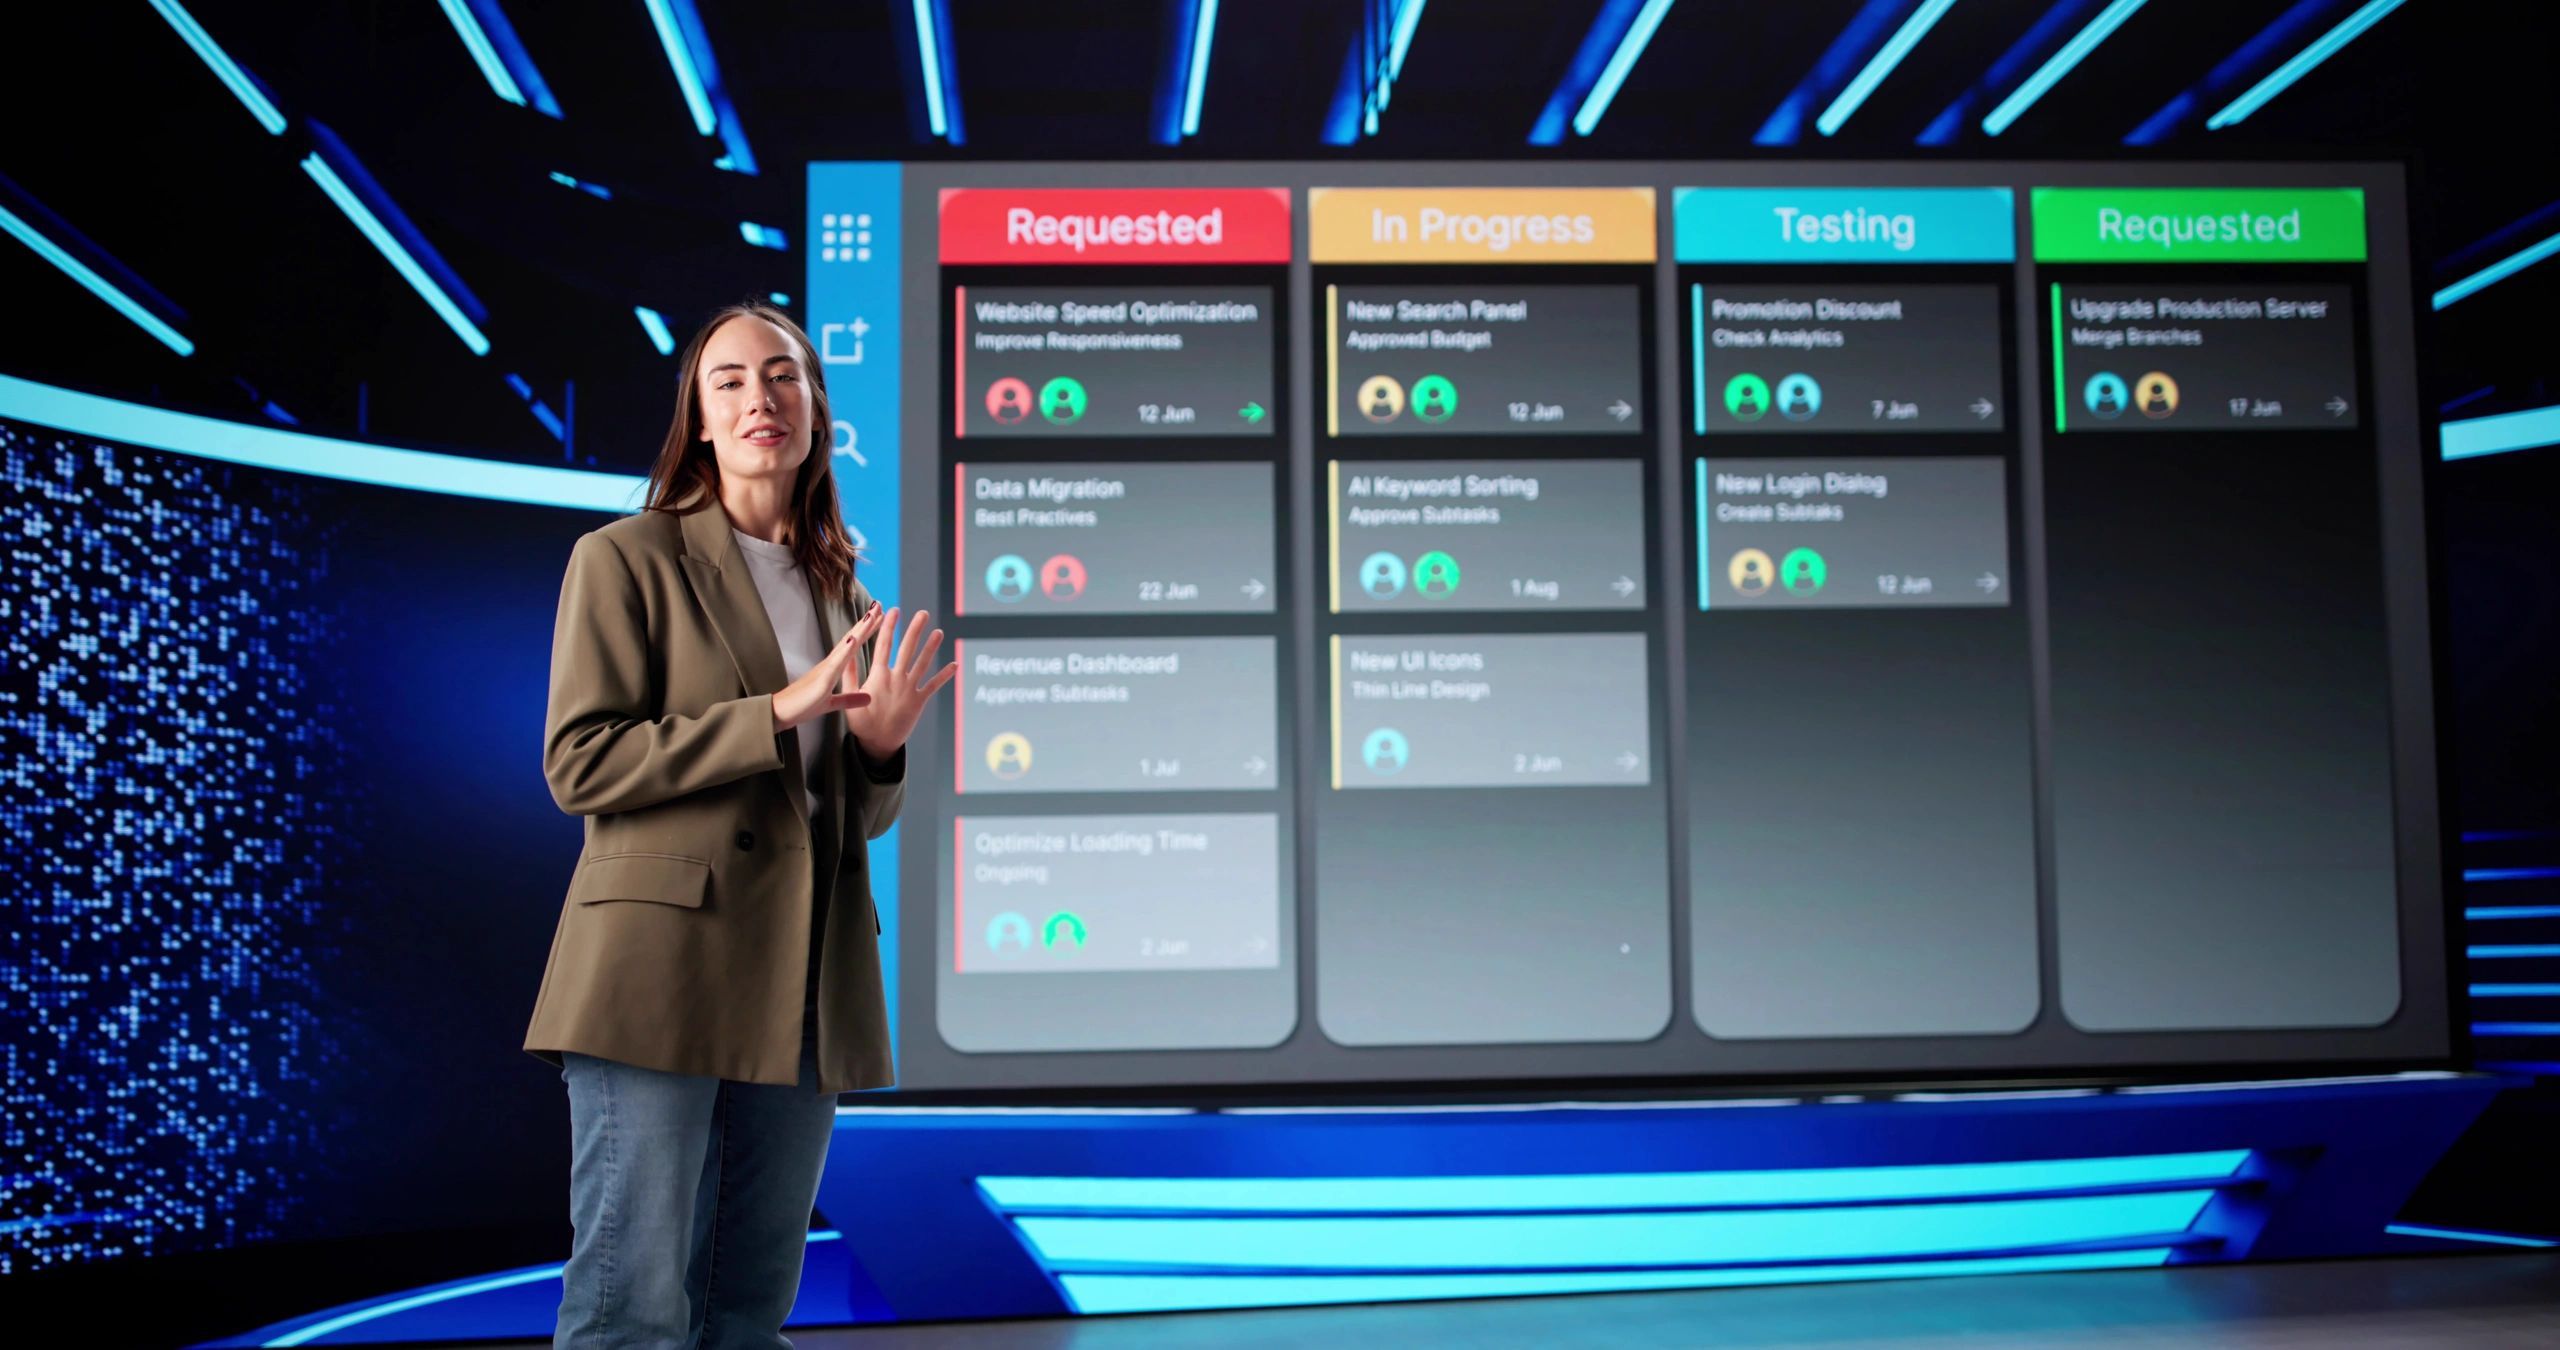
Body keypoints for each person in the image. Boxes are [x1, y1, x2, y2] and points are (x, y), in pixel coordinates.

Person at [524, 301, 955, 1348]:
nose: (760, 398)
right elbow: (581, 765)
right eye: (730, 382)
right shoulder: (625, 557)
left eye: (783, 376)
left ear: (815, 409)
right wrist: (777, 711)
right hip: (657, 971)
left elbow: (850, 819)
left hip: (804, 982)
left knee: (747, 1310)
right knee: (634, 1306)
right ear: (700, 422)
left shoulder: (843, 592)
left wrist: (880, 750)